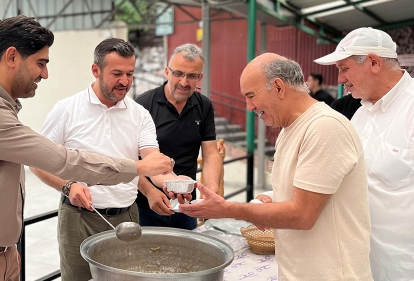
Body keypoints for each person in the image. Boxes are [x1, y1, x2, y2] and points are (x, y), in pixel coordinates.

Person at [0, 16, 174, 281]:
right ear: (11, 57)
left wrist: (4, 252)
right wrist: (138, 168)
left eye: (129, 74)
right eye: (40, 63)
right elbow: (62, 160)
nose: (45, 74)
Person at [179, 53, 372, 280]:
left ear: (279, 87)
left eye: (251, 96)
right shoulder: (290, 129)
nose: (249, 107)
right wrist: (272, 202)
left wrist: (227, 209)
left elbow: (302, 215)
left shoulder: (324, 127)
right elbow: (305, 194)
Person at [30, 38, 185, 281]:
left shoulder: (139, 114)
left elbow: (152, 161)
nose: (125, 81)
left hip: (128, 217)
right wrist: (67, 186)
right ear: (95, 70)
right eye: (117, 73)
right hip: (79, 219)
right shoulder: (67, 110)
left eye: (130, 74)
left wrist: (173, 182)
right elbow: (37, 161)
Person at [315, 27, 414, 281]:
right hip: (355, 265)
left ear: (373, 62)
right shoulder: (356, 112)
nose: (339, 79)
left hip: (401, 268)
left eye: (344, 68)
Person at [134, 43, 222, 230]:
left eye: (191, 76)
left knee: (187, 256)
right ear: (167, 72)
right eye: (178, 73)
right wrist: (149, 192)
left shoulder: (204, 105)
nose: (184, 82)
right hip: (147, 204)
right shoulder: (143, 105)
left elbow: (211, 154)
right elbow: (129, 161)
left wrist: (211, 191)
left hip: (186, 203)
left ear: (200, 77)